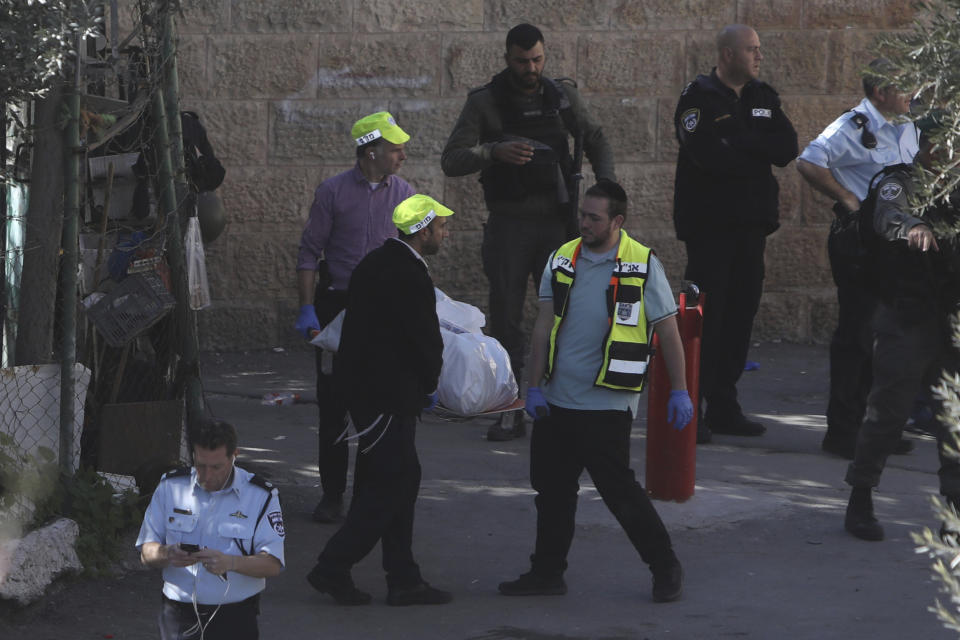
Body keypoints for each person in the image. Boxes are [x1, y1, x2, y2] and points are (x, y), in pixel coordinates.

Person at [499, 181, 693, 602]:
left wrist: (680, 389)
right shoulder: (563, 257)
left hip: (607, 402)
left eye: (594, 217)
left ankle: (665, 566)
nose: (584, 223)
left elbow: (668, 331)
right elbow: (543, 324)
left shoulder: (642, 264)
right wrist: (533, 388)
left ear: (617, 221)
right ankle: (547, 573)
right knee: (552, 493)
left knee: (620, 493)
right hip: (556, 399)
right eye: (582, 215)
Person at [441, 22, 616, 441]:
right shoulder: (487, 103)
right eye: (522, 61)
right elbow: (452, 158)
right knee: (506, 318)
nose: (531, 68)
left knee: (564, 314)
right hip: (509, 223)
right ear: (507, 59)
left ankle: (562, 403)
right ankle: (510, 407)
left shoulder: (561, 97)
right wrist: (493, 151)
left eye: (537, 59)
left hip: (558, 221)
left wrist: (607, 192)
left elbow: (595, 137)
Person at [306, 194, 454, 607]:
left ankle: (403, 576)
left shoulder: (375, 262)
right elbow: (425, 339)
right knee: (393, 483)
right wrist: (430, 384)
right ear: (423, 231)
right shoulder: (409, 273)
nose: (445, 233)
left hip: (368, 394)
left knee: (392, 480)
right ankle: (334, 565)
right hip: (388, 398)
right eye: (441, 227)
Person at [673, 24, 798, 443]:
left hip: (750, 228)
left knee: (739, 318)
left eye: (760, 49)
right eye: (751, 49)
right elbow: (710, 158)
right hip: (710, 229)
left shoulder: (763, 96)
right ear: (727, 54)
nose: (759, 56)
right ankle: (692, 409)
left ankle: (724, 406)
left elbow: (786, 148)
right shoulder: (697, 99)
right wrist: (753, 146)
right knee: (707, 320)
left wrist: (739, 140)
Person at [294, 111, 415, 523]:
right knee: (333, 402)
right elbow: (309, 252)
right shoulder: (332, 192)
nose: (401, 156)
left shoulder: (404, 193)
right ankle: (331, 493)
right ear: (370, 152)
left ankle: (366, 495)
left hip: (382, 310)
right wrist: (308, 307)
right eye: (394, 149)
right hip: (336, 306)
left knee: (376, 403)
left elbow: (412, 256)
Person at [842, 125, 960, 541]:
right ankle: (860, 496)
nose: (949, 151)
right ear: (927, 146)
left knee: (955, 421)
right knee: (888, 411)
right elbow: (889, 217)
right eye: (944, 144)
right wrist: (913, 229)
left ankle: (954, 515)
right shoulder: (900, 183)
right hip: (907, 317)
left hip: (952, 318)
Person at [797, 59, 919, 460]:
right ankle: (843, 432)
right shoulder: (852, 126)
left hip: (896, 245)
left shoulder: (908, 124)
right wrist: (847, 199)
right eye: (902, 86)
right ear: (879, 93)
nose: (911, 93)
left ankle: (877, 428)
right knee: (856, 337)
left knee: (888, 339)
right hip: (860, 245)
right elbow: (809, 161)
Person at [136, 419, 285, 640]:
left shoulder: (260, 495)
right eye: (200, 465)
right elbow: (146, 553)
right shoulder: (171, 487)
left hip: (234, 615)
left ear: (234, 455)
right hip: (178, 613)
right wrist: (167, 553)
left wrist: (230, 563)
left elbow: (273, 564)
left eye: (216, 467)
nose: (206, 476)